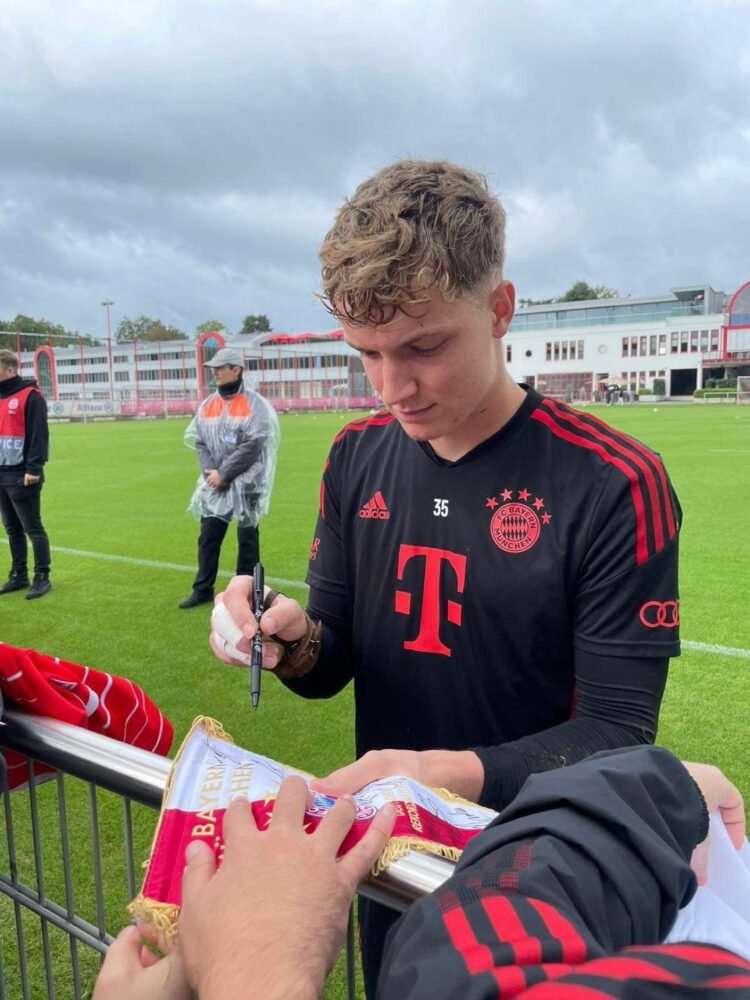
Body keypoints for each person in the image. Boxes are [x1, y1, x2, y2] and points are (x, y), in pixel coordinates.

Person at [208, 159, 682, 992]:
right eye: (368, 354)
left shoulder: (615, 482)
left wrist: (444, 771)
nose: (393, 386)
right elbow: (339, 658)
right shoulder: (357, 455)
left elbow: (616, 735)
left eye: (423, 346)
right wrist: (290, 641)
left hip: (546, 878)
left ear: (499, 309)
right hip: (392, 854)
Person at [92, 748, 750, 999]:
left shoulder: (614, 480)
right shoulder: (362, 453)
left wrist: (253, 967)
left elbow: (469, 979)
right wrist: (305, 642)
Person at [178, 348, 280, 609]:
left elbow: (253, 445)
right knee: (208, 537)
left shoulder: (255, 405)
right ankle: (202, 589)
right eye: (214, 368)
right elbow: (200, 441)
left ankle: (247, 594)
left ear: (237, 369)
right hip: (215, 482)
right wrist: (211, 473)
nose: (215, 372)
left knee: (247, 540)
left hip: (247, 483)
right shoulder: (208, 405)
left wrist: (225, 474)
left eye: (221, 367)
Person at [0, 349, 52, 599]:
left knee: (33, 528)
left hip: (23, 474)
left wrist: (34, 468)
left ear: (9, 369)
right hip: (1, 473)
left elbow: (39, 435)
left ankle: (42, 576)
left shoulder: (30, 395)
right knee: (11, 529)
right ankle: (18, 574)